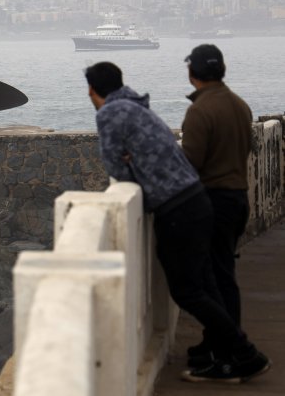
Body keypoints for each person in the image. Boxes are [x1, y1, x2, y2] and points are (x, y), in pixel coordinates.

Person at [84, 61, 270, 383]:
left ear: (92, 91)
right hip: (197, 199)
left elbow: (115, 165)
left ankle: (244, 353)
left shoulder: (110, 114)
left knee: (187, 291)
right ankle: (225, 352)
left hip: (176, 210)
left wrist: (131, 165)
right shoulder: (137, 106)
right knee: (207, 285)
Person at [181, 44, 254, 367]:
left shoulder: (201, 110)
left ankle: (228, 351)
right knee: (222, 273)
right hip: (238, 198)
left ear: (192, 72)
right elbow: (249, 147)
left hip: (213, 201)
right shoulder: (240, 106)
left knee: (215, 279)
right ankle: (215, 341)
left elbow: (190, 162)